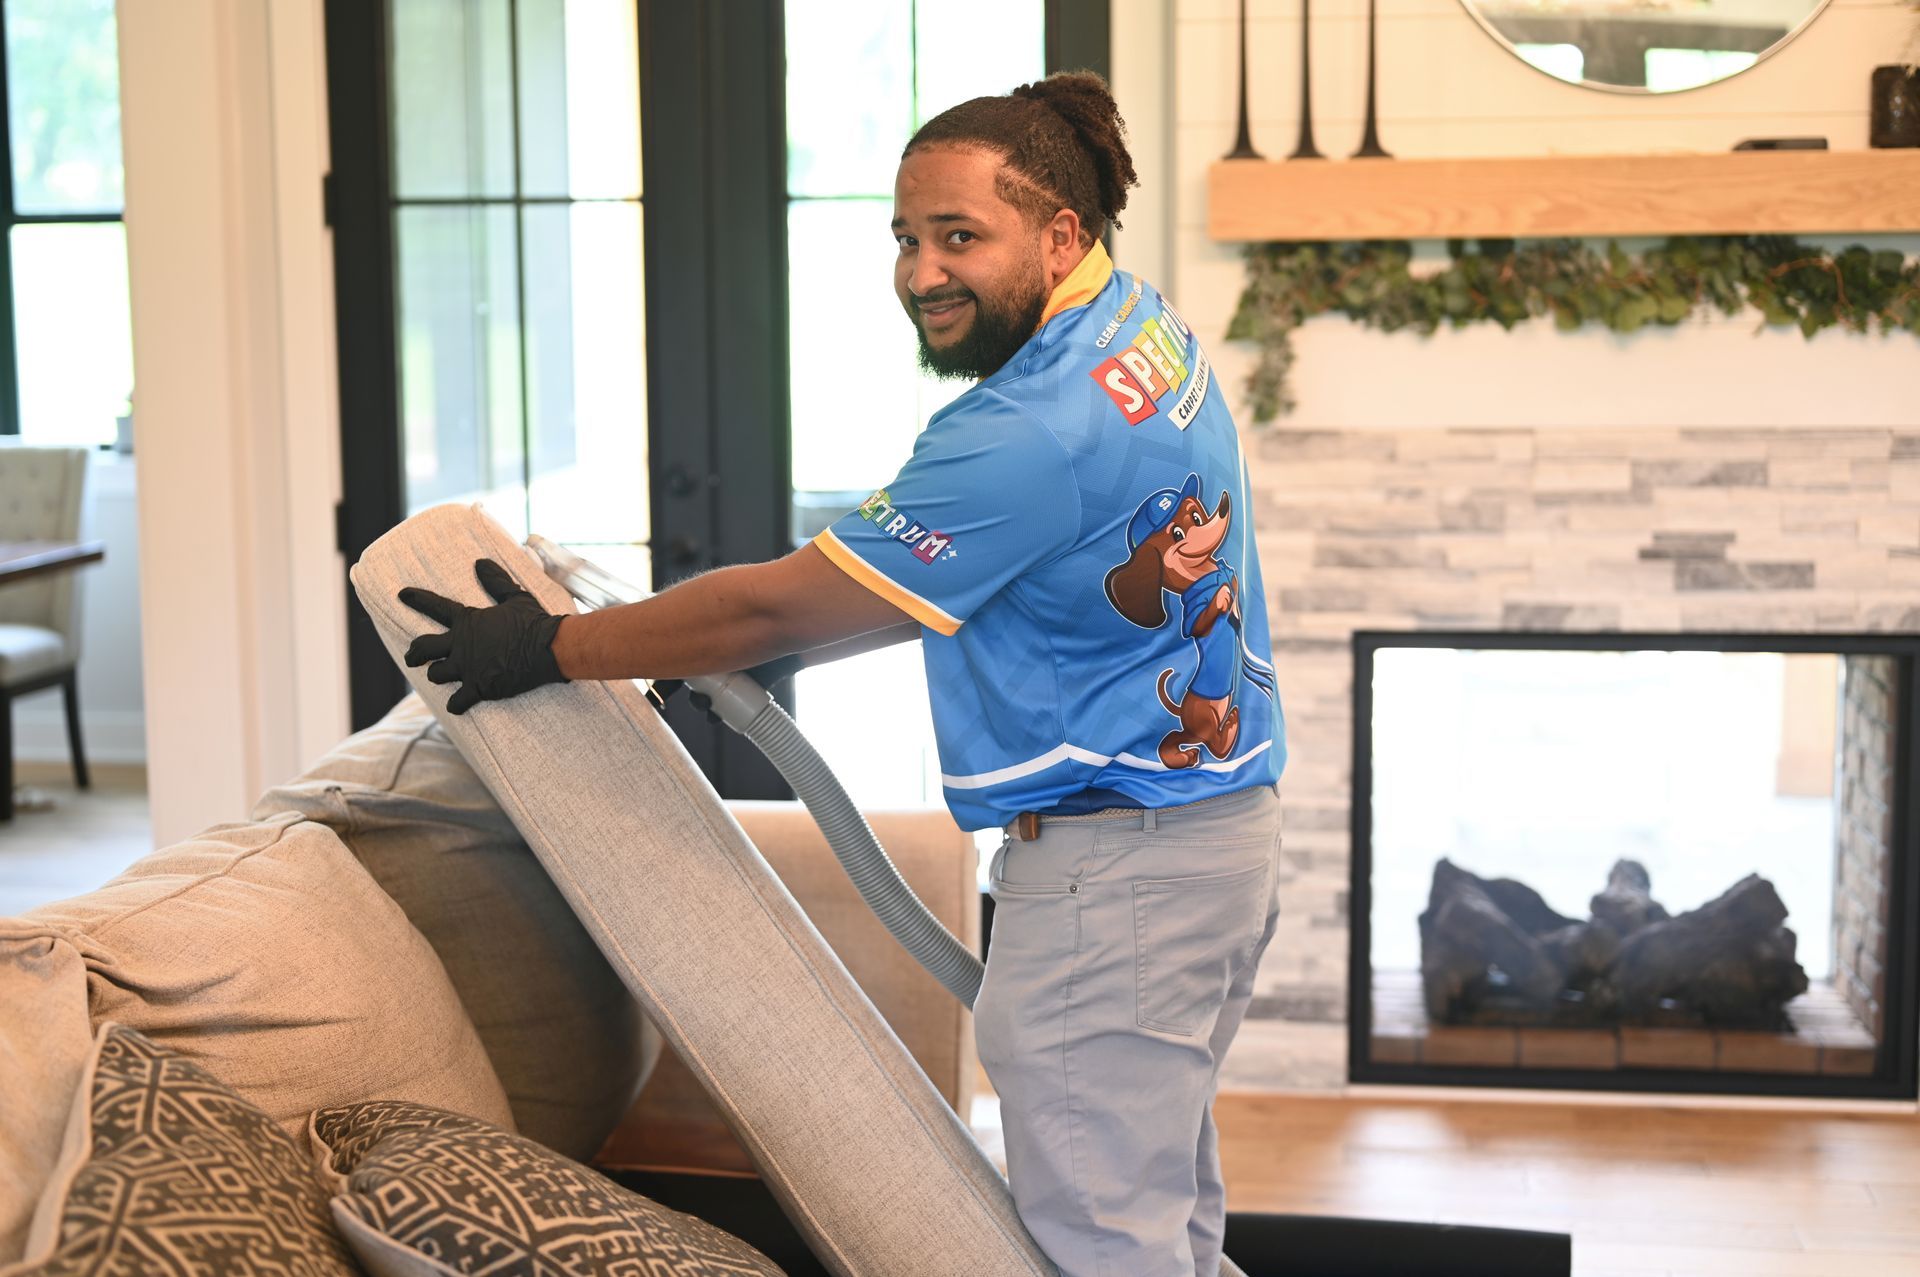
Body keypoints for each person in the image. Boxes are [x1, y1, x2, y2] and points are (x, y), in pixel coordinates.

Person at [397, 71, 1286, 1277]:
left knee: (1106, 1248)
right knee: (1162, 1216)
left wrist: (553, 647)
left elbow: (775, 604)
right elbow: (910, 581)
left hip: (1117, 878)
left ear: (1061, 232)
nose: (922, 272)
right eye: (907, 238)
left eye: (961, 236)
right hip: (1213, 838)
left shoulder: (1025, 429)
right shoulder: (1138, 326)